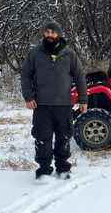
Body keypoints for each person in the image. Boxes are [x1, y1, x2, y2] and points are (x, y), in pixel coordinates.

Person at [20, 21, 88, 179]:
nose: (49, 35)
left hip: (64, 104)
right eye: (47, 32)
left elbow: (79, 77)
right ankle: (44, 170)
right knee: (42, 138)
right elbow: (25, 75)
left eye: (53, 32)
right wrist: (28, 97)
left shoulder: (69, 54)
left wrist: (83, 100)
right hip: (41, 104)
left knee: (64, 136)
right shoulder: (35, 53)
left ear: (59, 34)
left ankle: (63, 167)